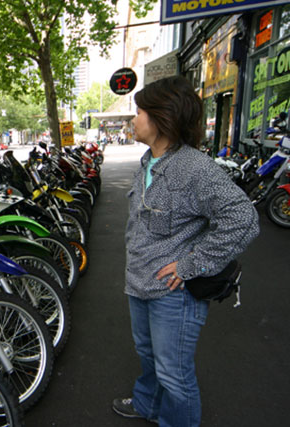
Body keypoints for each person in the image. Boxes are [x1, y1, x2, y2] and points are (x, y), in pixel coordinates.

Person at [113, 76, 259, 427]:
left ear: (162, 117)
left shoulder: (194, 167)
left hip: (173, 295)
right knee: (149, 358)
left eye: (139, 112)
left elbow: (243, 219)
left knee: (174, 375)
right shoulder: (150, 160)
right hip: (139, 284)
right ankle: (148, 405)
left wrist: (192, 263)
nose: (133, 120)